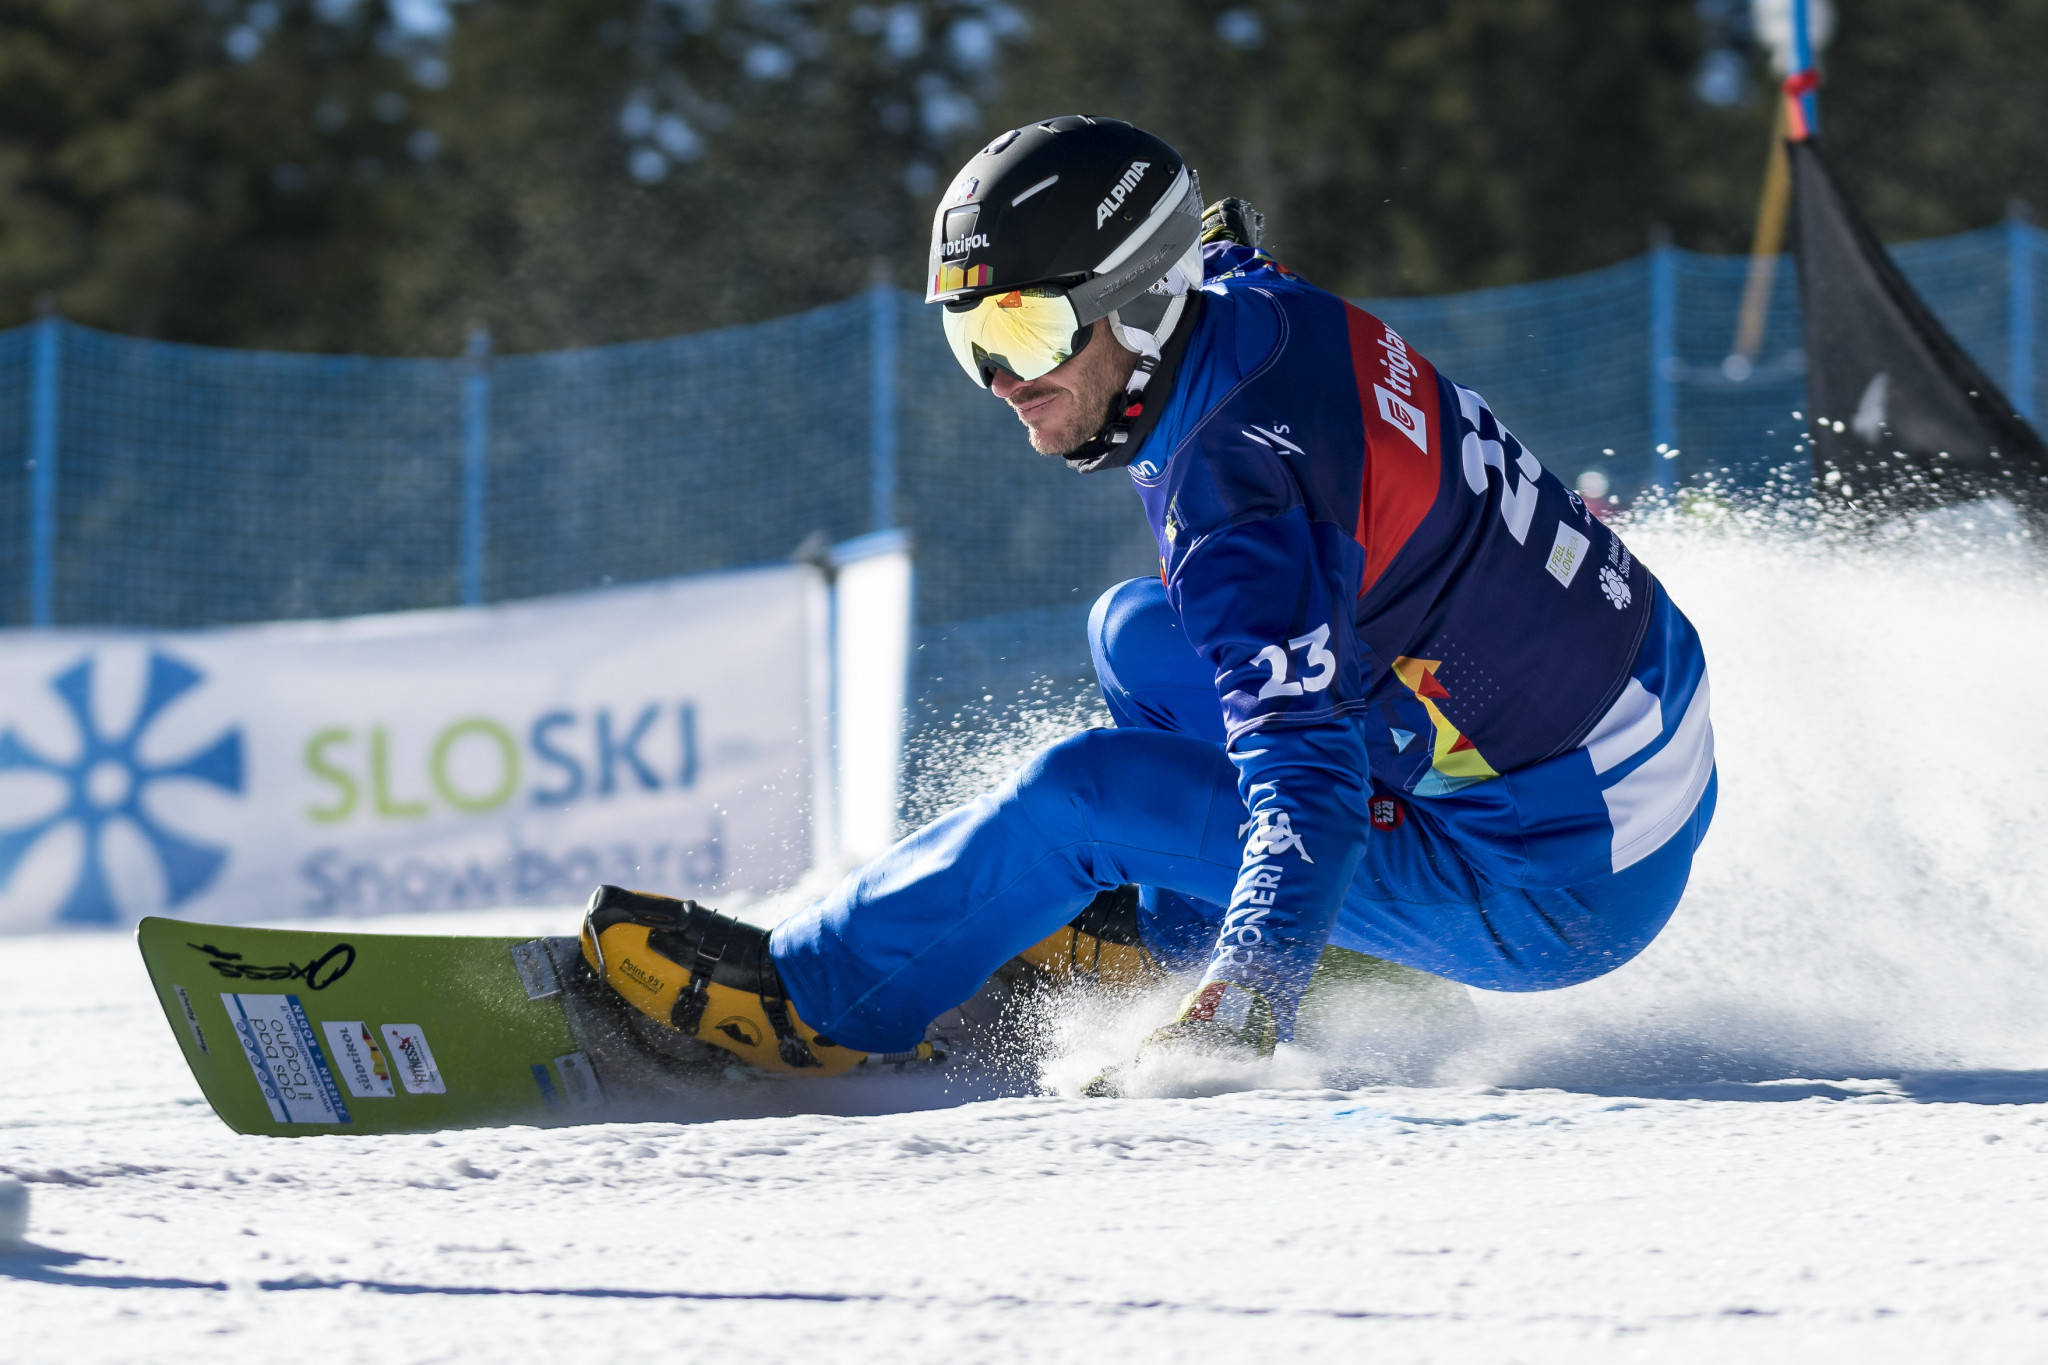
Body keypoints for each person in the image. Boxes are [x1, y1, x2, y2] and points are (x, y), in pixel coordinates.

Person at [580, 115, 1716, 1089]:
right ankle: (1178, 923)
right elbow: (1226, 253)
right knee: (1135, 632)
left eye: (1025, 328)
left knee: (1085, 794)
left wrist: (1245, 1000)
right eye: (966, 336)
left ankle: (818, 1002)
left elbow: (1307, 781)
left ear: (1137, 300)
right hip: (1619, 734)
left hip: (1555, 883)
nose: (1003, 381)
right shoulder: (1240, 314)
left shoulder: (1238, 498)